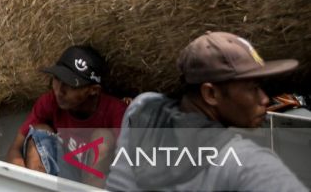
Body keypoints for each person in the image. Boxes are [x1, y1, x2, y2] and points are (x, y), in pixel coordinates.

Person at [106, 31, 306, 192]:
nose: (264, 98)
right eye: (252, 87)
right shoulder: (246, 163)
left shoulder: (142, 110)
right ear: (210, 93)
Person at [6, 45, 127, 188]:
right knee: (39, 132)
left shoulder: (116, 111)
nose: (59, 90)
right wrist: (22, 174)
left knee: (103, 138)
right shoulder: (49, 102)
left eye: (71, 84)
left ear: (93, 90)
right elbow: (15, 149)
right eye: (57, 79)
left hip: (98, 183)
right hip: (64, 177)